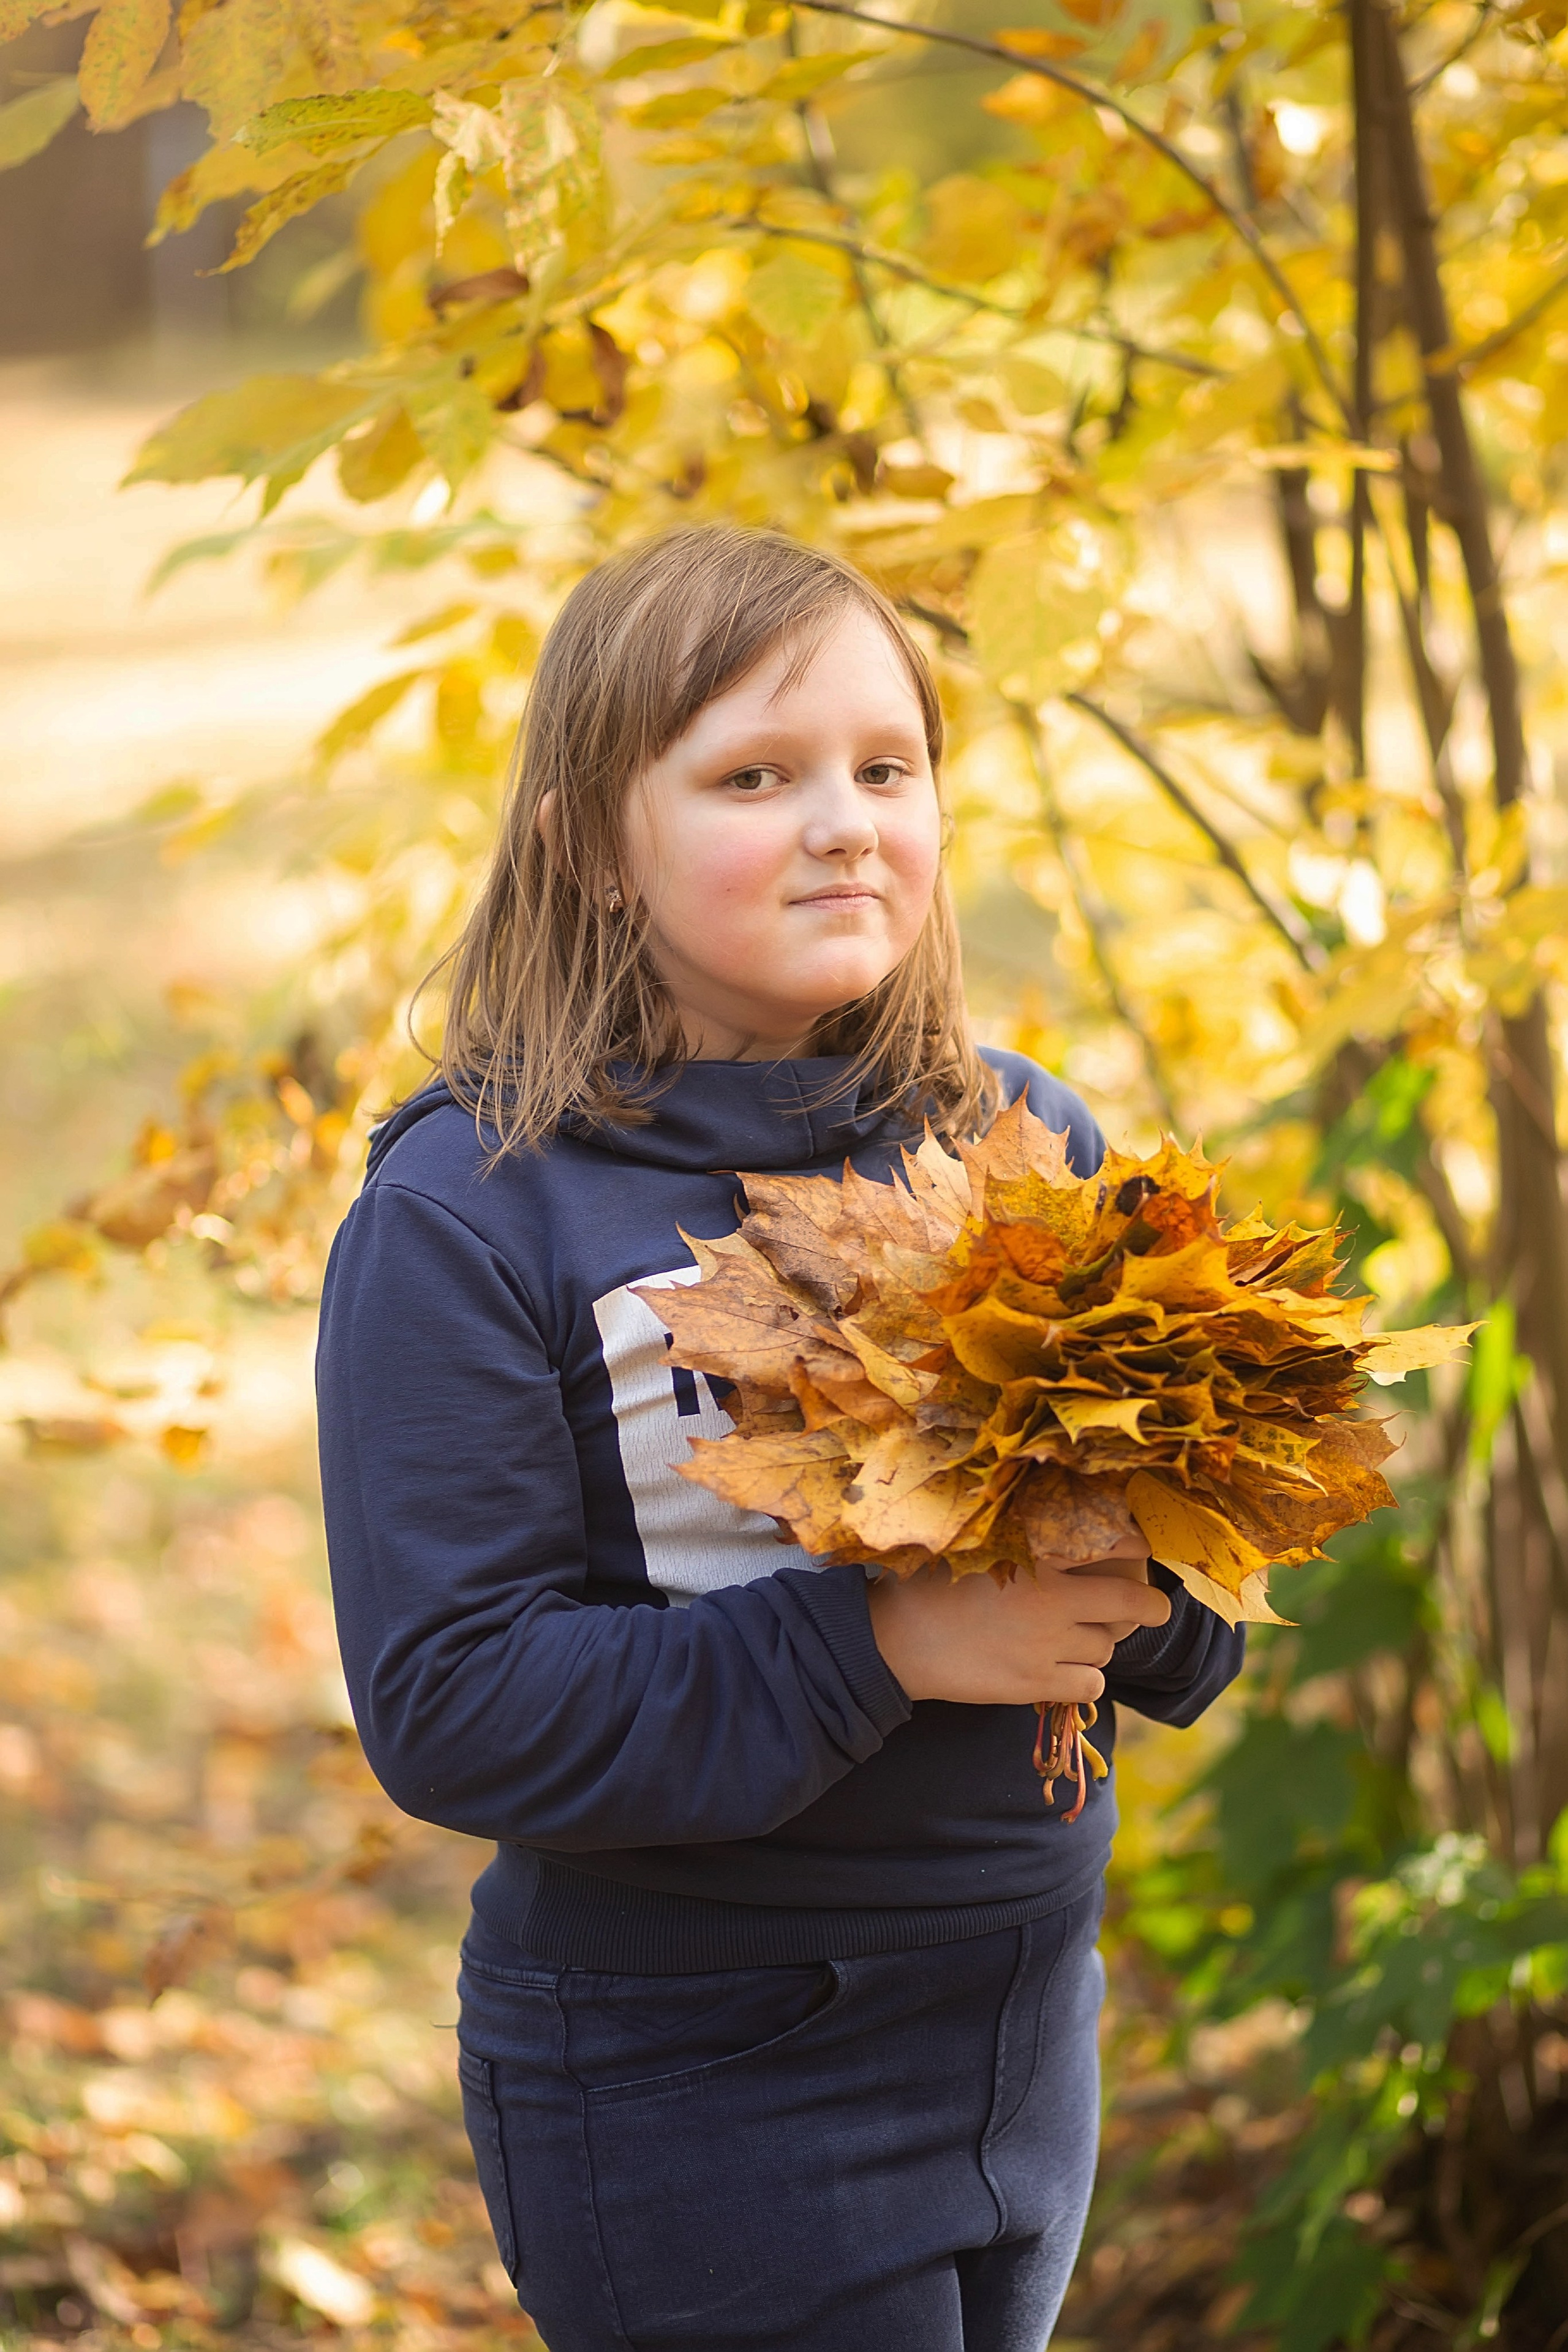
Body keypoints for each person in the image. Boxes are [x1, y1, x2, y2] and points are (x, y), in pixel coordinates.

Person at [315, 525, 1245, 2352]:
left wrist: (1137, 1575)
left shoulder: (1015, 1137)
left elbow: (1192, 1609)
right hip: (698, 2072)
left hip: (1024, 2022)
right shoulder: (475, 1209)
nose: (845, 822)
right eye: (757, 774)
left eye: (887, 769)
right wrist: (891, 1641)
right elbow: (453, 1703)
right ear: (592, 841)